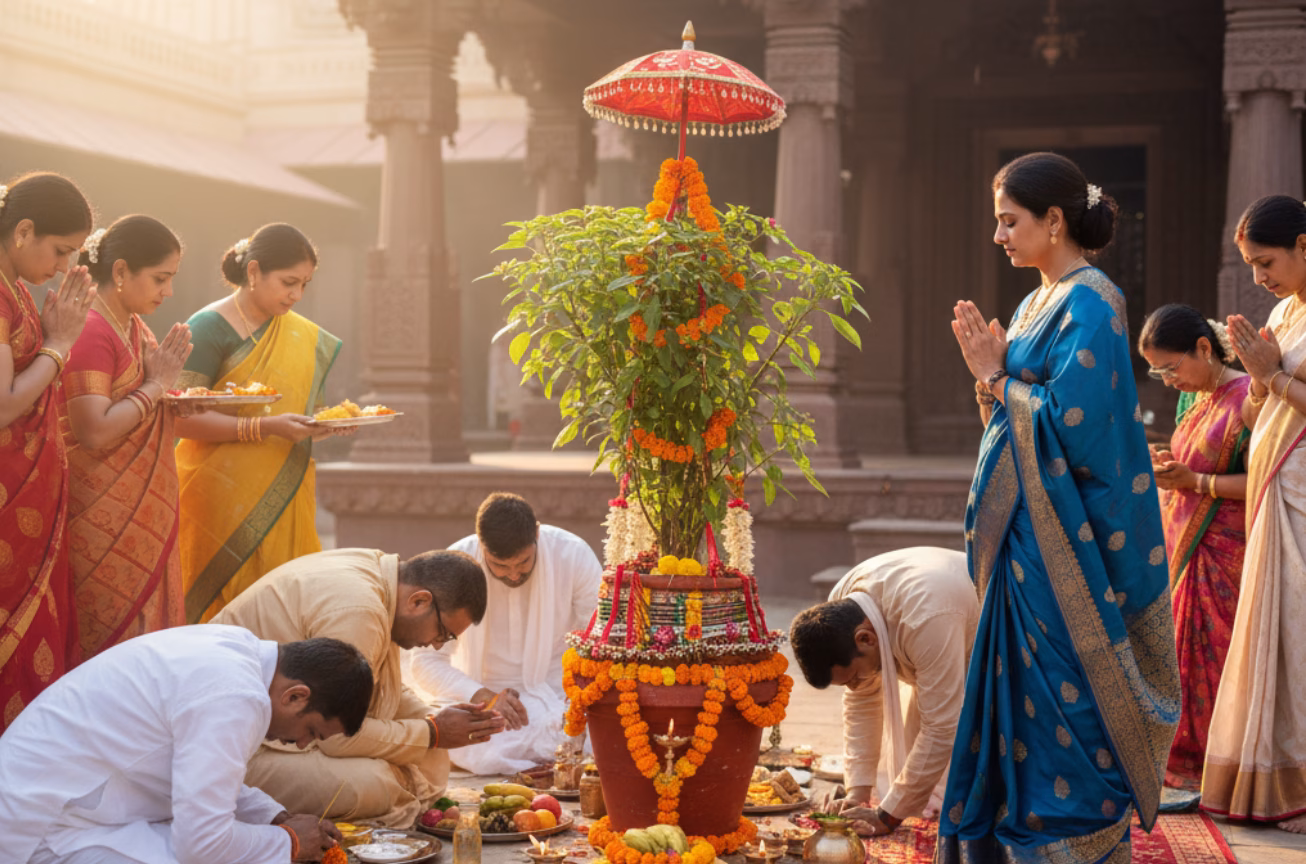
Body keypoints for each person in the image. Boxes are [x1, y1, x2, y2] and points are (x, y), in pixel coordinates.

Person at [941, 151, 1179, 862]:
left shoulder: (1092, 302)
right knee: (1019, 699)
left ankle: (1070, 843)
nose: (998, 236)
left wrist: (994, 376)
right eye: (996, 222)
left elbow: (1078, 426)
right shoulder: (1034, 301)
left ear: (1053, 220)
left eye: (1009, 221)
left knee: (1064, 699)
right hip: (1025, 537)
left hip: (1068, 545)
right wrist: (992, 382)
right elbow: (1016, 415)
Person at [0, 627, 372, 864]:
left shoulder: (236, 652)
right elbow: (202, 847)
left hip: (71, 806)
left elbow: (200, 774)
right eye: (311, 731)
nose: (302, 743)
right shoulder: (236, 695)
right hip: (43, 829)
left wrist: (274, 817)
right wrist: (288, 843)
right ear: (295, 696)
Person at [213, 547, 506, 827]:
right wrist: (432, 731)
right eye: (443, 632)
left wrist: (435, 719)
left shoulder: (380, 579)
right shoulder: (360, 610)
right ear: (419, 601)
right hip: (237, 749)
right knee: (372, 783)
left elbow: (378, 689)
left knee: (433, 756)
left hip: (300, 727)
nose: (437, 644)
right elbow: (334, 733)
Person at [174, 223, 350, 623]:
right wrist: (263, 428)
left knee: (284, 607)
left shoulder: (299, 335)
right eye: (289, 282)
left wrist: (323, 427)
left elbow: (298, 416)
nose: (296, 295)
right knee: (222, 612)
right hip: (215, 497)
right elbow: (178, 420)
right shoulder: (207, 327)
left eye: (304, 284)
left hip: (285, 490)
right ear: (253, 272)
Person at [1202, 194, 1306, 833]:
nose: (1260, 277)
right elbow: (1255, 414)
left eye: (1266, 261)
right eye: (1250, 265)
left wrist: (1276, 376)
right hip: (1276, 489)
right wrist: (1260, 378)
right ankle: (1276, 779)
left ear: (1303, 245)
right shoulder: (1284, 314)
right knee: (1283, 636)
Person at [63, 216, 193, 661]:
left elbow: (142, 401)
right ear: (120, 272)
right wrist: (156, 388)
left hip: (144, 517)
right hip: (100, 521)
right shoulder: (91, 331)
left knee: (144, 652)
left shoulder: (135, 327)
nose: (168, 291)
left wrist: (171, 398)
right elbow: (94, 431)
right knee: (109, 651)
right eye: (161, 278)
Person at [407, 492, 603, 774]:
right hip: (487, 706)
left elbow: (600, 640)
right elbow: (424, 662)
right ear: (480, 544)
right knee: (476, 748)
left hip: (560, 694)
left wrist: (578, 697)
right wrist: (482, 695)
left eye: (522, 562)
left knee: (598, 739)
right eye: (499, 566)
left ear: (536, 533)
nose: (513, 575)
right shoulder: (456, 566)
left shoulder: (572, 554)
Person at [789, 547, 979, 837]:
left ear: (865, 639)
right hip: (935, 621)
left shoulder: (925, 618)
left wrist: (887, 816)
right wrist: (858, 791)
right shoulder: (844, 602)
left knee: (981, 781)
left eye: (852, 677)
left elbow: (942, 728)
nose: (854, 686)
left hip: (999, 643)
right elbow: (861, 700)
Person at [1137, 304, 1250, 791]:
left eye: (1171, 367)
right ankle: (1184, 755)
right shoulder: (1193, 401)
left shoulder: (1249, 398)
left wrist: (1197, 481)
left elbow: (1266, 477)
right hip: (1184, 548)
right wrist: (1169, 464)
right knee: (1181, 654)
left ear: (1204, 348)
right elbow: (1190, 465)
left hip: (1229, 551)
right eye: (1157, 371)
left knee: (1219, 657)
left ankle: (1225, 763)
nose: (1166, 381)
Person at [0, 171, 96, 732]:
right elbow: (6, 405)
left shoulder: (15, 290)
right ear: (24, 230)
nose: (62, 267)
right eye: (60, 251)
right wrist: (60, 345)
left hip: (29, 497)